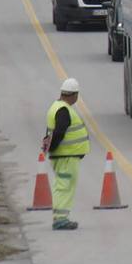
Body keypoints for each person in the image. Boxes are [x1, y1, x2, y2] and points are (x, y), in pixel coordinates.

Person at [42, 78, 90, 230]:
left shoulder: (55, 107)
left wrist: (50, 149)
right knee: (64, 187)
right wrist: (54, 148)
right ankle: (61, 219)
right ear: (74, 95)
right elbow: (59, 132)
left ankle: (61, 217)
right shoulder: (63, 110)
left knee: (63, 185)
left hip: (63, 156)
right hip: (66, 157)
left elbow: (51, 132)